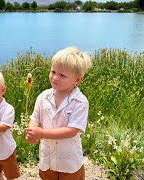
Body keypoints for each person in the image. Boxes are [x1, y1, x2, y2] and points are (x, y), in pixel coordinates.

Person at [25, 47, 92, 180]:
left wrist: (42, 133)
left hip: (68, 161)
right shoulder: (43, 96)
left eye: (62, 75)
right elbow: (35, 118)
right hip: (47, 158)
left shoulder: (79, 102)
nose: (55, 78)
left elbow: (71, 131)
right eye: (53, 71)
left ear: (77, 80)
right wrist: (32, 132)